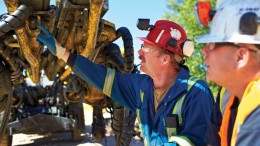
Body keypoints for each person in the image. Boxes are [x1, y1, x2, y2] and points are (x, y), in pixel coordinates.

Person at [36, 20, 215, 146]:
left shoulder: (195, 92)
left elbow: (197, 141)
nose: (140, 53)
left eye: (146, 47)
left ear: (165, 59)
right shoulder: (142, 87)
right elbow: (99, 76)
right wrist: (61, 52)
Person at [195, 0, 260, 145]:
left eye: (212, 45)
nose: (204, 51)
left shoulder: (256, 125)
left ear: (241, 56)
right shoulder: (231, 96)